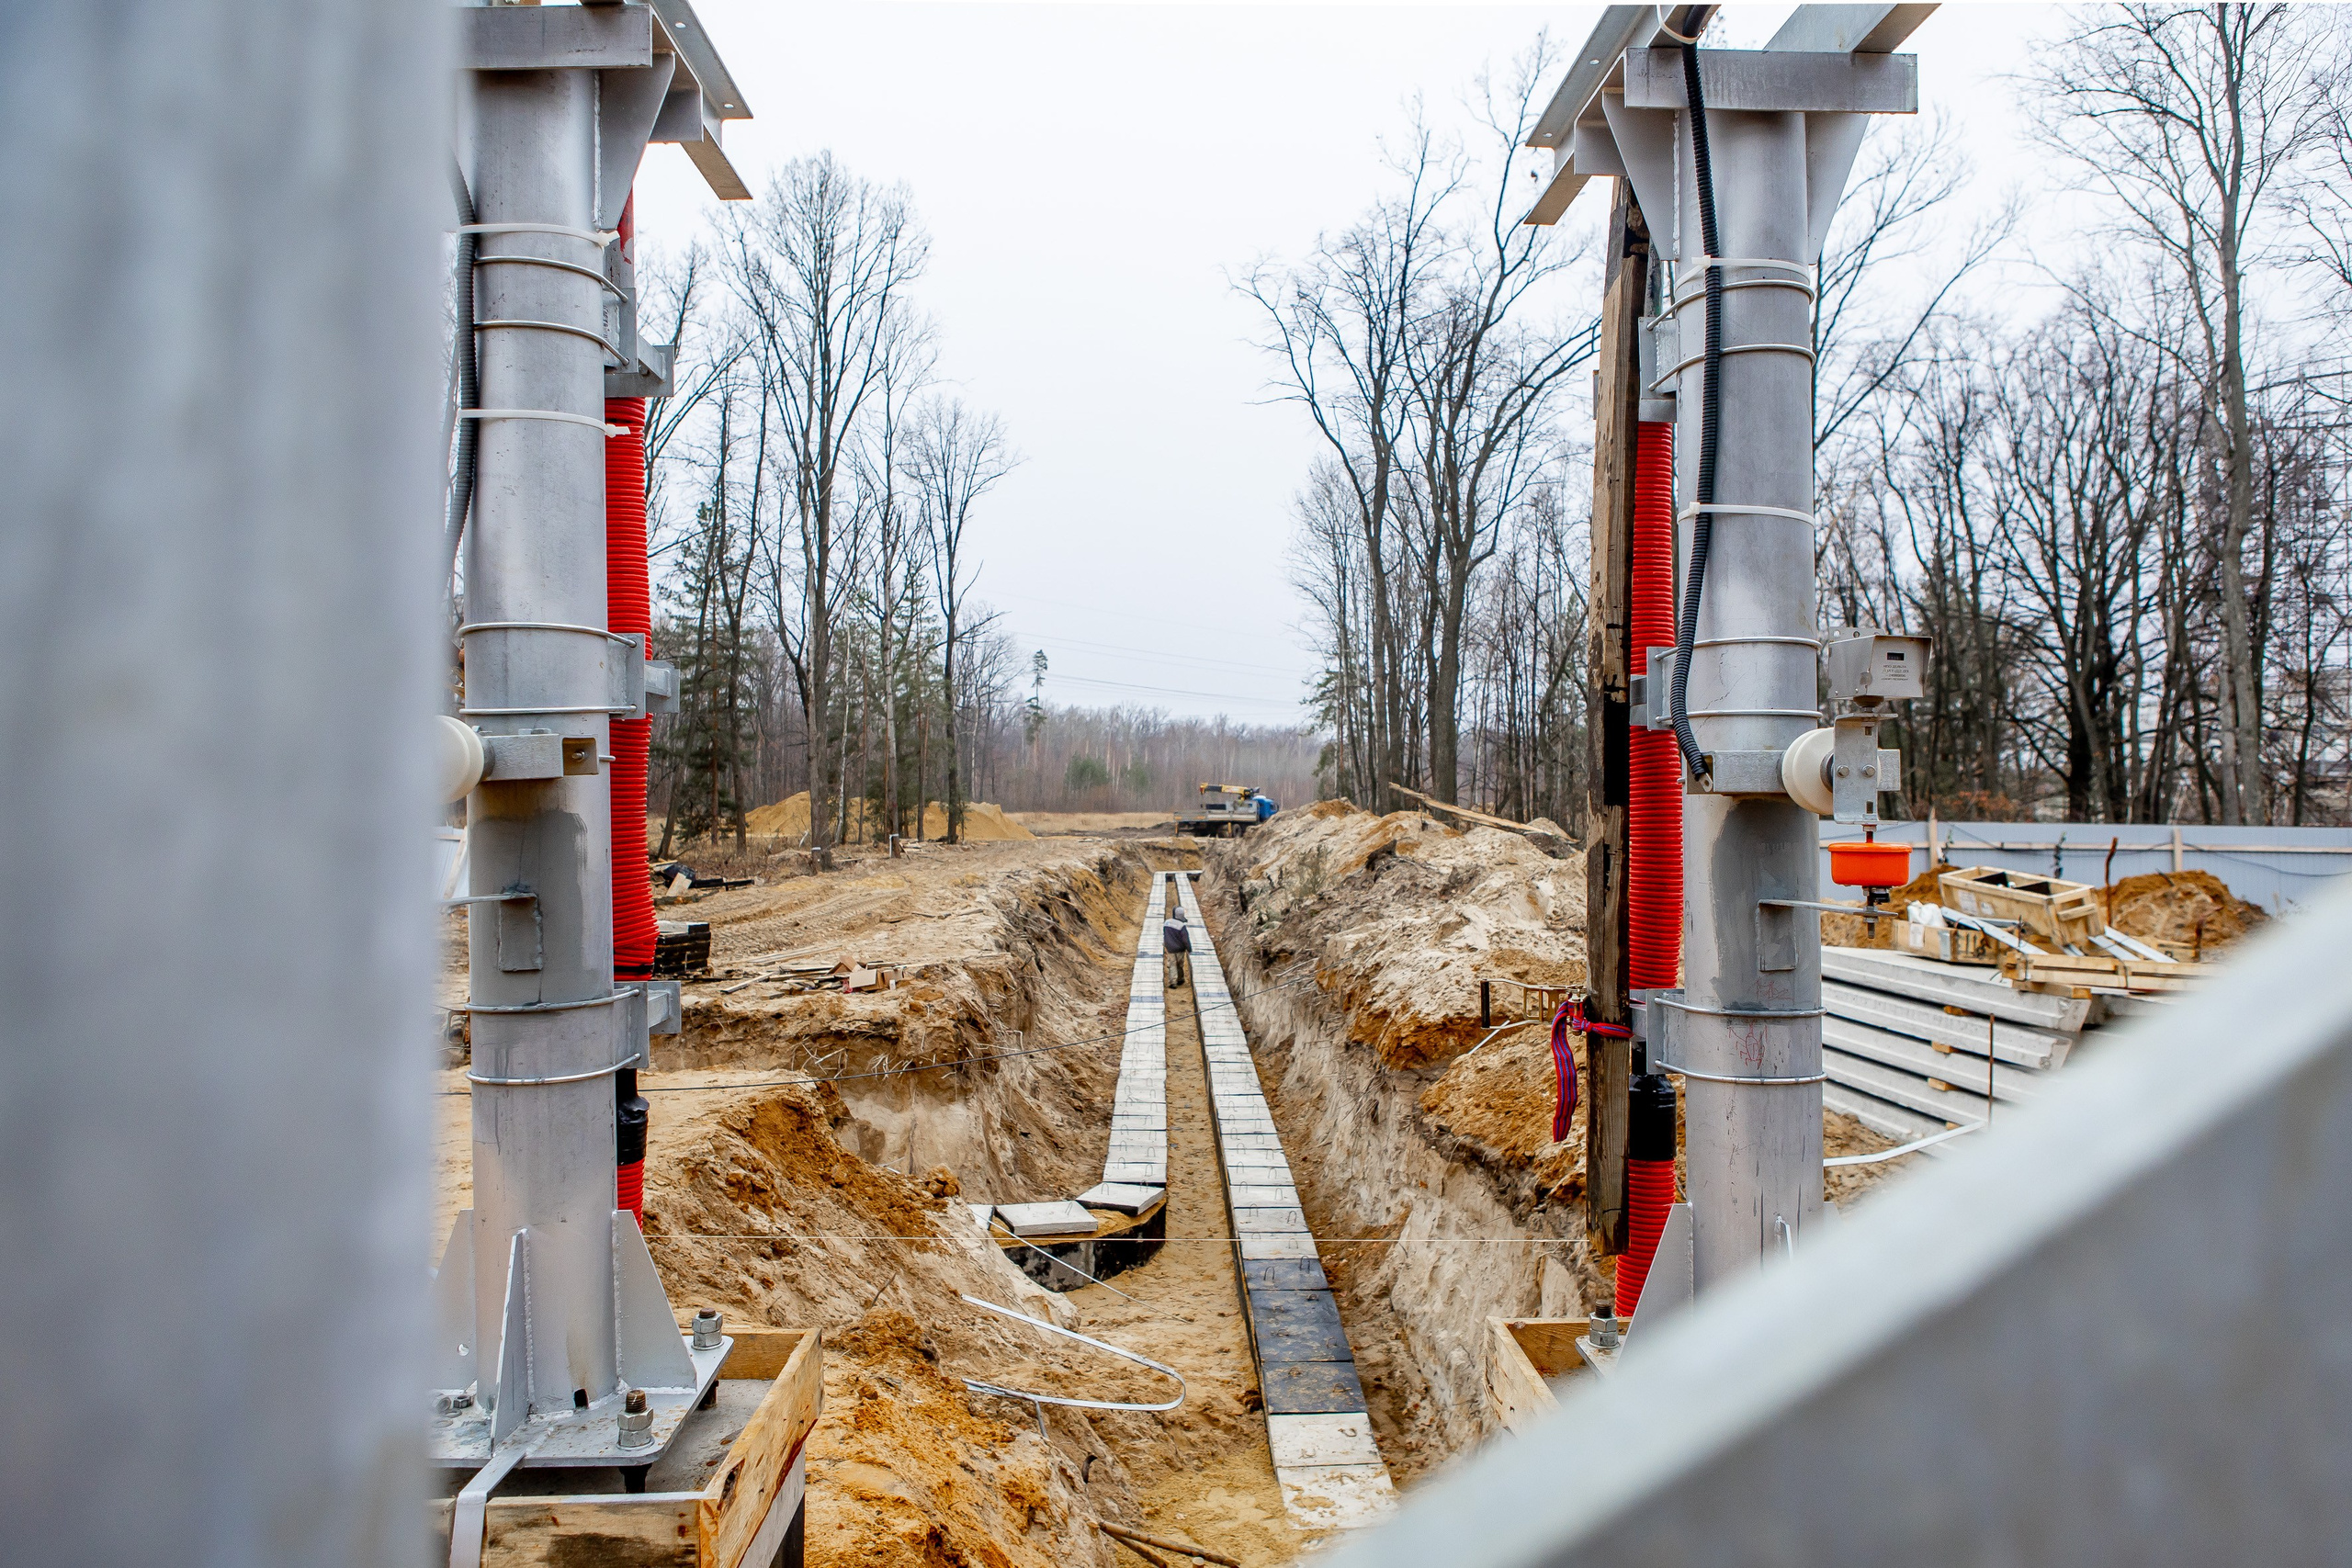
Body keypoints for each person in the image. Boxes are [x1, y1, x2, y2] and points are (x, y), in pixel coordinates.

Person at [1162, 908, 1192, 988]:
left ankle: (1173, 982)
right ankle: (1180, 979)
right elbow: (1185, 939)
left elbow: (1165, 934)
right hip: (1180, 950)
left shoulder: (1167, 923)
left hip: (1170, 948)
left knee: (1172, 965)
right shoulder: (1181, 926)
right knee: (1179, 965)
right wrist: (1189, 949)